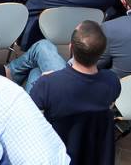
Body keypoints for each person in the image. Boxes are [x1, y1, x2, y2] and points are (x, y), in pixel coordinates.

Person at [30, 21, 121, 165]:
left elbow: (30, 116)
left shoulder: (48, 84)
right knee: (36, 72)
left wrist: (44, 81)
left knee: (35, 74)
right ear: (102, 52)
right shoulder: (112, 81)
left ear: (70, 47)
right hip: (93, 152)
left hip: (58, 153)